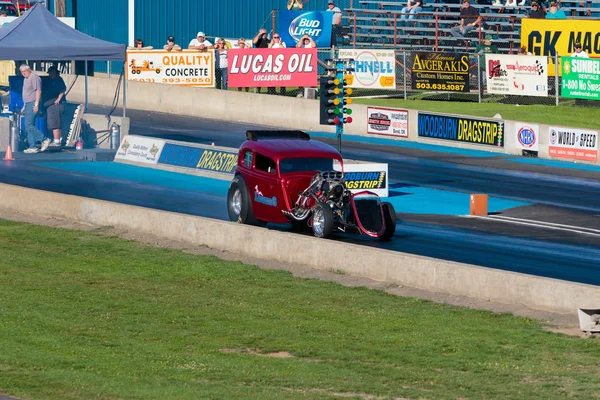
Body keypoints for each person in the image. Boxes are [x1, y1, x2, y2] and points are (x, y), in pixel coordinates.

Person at [20, 64, 50, 154]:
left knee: (28, 125)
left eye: (24, 71)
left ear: (29, 70)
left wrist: (36, 104)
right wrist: (24, 106)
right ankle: (32, 146)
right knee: (30, 125)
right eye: (21, 71)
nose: (23, 73)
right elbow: (26, 93)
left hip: (33, 103)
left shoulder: (34, 77)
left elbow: (38, 91)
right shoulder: (26, 79)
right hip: (28, 103)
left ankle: (44, 139)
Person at [44, 66, 67, 147]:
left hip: (58, 104)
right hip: (52, 103)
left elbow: (63, 90)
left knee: (55, 122)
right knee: (54, 121)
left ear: (55, 73)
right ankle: (56, 139)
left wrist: (58, 99)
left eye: (52, 73)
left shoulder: (58, 80)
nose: (50, 75)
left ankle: (56, 141)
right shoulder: (51, 80)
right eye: (49, 73)